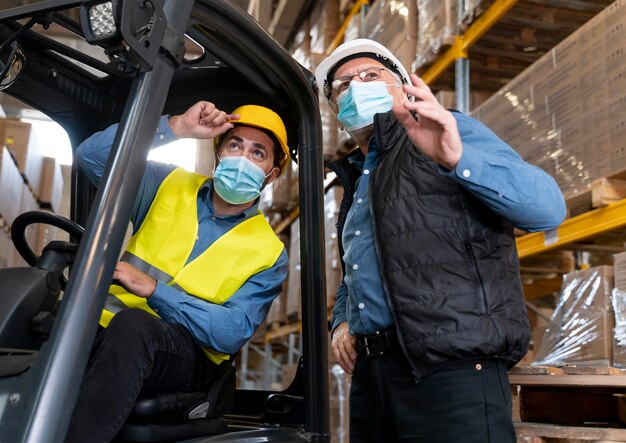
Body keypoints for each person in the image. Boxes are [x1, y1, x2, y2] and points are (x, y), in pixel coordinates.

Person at [315, 39, 566, 442]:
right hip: (375, 375)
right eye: (342, 86)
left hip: (452, 370)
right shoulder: (360, 180)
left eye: (370, 76)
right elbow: (358, 268)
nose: (356, 88)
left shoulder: (444, 132)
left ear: (401, 86)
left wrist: (457, 158)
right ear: (335, 110)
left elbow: (547, 209)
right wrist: (342, 320)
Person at [66, 101, 291, 443]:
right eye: (235, 145)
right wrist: (177, 128)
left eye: (258, 153)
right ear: (218, 152)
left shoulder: (270, 252)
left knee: (136, 327)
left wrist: (156, 290)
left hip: (187, 356)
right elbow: (91, 156)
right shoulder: (167, 182)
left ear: (271, 174)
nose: (243, 158)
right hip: (104, 329)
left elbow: (232, 331)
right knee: (46, 307)